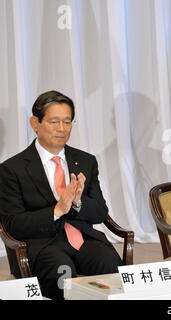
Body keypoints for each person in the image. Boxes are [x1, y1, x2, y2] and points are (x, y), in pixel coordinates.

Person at [0, 91, 122, 300]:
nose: (61, 129)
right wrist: (57, 210)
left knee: (108, 262)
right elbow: (13, 224)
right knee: (61, 272)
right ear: (35, 123)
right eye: (54, 121)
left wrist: (77, 202)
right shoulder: (12, 169)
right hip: (41, 245)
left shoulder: (86, 161)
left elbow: (100, 213)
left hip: (83, 239)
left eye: (67, 122)